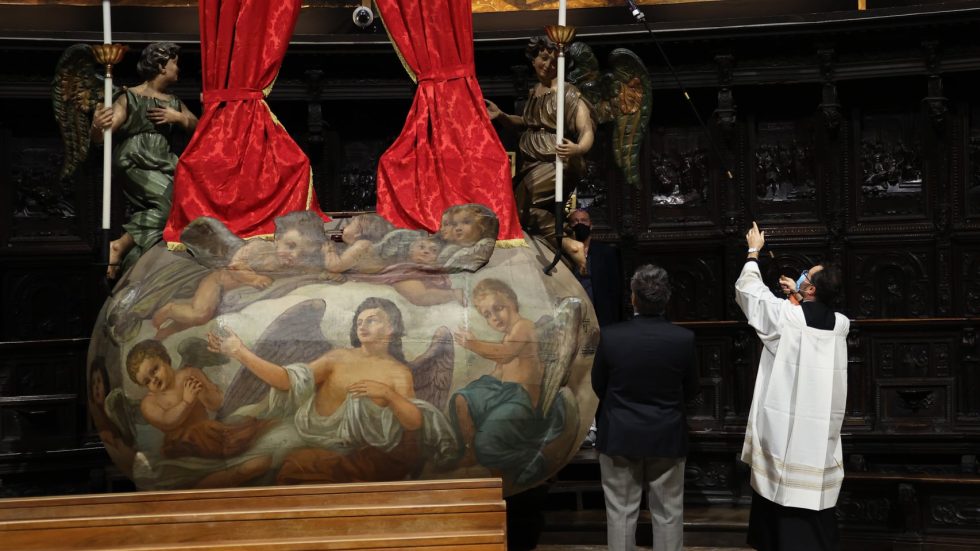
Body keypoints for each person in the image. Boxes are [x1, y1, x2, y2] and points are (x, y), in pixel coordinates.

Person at [207, 297, 456, 484]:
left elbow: (412, 422)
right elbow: (287, 381)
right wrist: (239, 351)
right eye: (359, 321)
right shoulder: (338, 357)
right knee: (247, 468)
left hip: (344, 446)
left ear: (391, 328)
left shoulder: (399, 373)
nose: (363, 325)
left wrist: (388, 394)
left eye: (372, 319)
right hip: (304, 430)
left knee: (271, 468)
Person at [736, 222, 849, 551]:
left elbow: (749, 293)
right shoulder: (840, 325)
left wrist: (753, 251)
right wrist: (796, 296)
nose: (800, 276)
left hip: (785, 431)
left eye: (805, 276)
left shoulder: (787, 318)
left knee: (781, 496)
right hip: (819, 433)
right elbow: (809, 317)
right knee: (813, 498)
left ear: (811, 289)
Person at [591, 264, 699, 551]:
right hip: (666, 433)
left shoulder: (611, 337)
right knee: (668, 513)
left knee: (621, 513)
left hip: (619, 434)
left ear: (633, 297)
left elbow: (598, 385)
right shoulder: (683, 339)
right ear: (667, 299)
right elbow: (691, 390)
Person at [91, 42, 199, 279]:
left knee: (182, 205)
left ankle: (136, 258)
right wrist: (98, 126)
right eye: (175, 63)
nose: (178, 68)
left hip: (164, 160)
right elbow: (104, 134)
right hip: (136, 159)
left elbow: (201, 129)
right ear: (161, 66)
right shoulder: (130, 96)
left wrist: (179, 118)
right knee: (170, 202)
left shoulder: (173, 102)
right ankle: (119, 245)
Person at [450, 278, 566, 489]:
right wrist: (479, 388)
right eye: (487, 315)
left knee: (487, 442)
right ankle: (471, 452)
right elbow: (500, 371)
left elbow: (504, 355)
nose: (494, 317)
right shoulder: (509, 334)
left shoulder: (524, 326)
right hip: (506, 393)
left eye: (498, 308)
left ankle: (529, 458)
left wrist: (473, 344)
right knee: (461, 399)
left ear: (512, 301)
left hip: (520, 399)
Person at [486, 36, 595, 240]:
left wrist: (578, 149)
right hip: (532, 162)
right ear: (533, 58)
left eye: (555, 61)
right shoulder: (534, 91)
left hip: (557, 160)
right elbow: (527, 124)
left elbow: (586, 130)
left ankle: (570, 244)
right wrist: (501, 115)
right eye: (543, 58)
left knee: (523, 203)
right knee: (522, 212)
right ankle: (564, 243)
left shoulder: (568, 93)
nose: (548, 65)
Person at [125, 339, 272, 487]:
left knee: (243, 426)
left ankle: (248, 459)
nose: (154, 380)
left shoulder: (189, 374)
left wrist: (205, 391)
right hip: (181, 443)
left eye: (154, 370)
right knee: (205, 432)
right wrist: (186, 402)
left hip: (209, 432)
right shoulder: (149, 403)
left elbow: (215, 404)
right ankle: (242, 467)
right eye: (147, 381)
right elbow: (167, 421)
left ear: (165, 359)